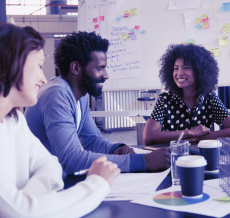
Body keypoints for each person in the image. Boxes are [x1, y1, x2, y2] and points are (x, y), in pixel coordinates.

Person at [0, 23, 120, 217]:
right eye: (39, 67)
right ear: (11, 64)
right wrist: (97, 184)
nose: (43, 78)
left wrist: (29, 200)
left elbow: (52, 165)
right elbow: (20, 212)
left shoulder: (14, 121)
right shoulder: (56, 93)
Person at [25, 31, 170, 175]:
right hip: (34, 185)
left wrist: (116, 148)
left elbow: (92, 139)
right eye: (100, 68)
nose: (106, 75)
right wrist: (144, 162)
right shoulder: (57, 93)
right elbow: (71, 160)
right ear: (76, 68)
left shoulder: (79, 95)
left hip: (50, 178)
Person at [143, 43, 230, 145]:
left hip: (202, 157)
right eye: (176, 68)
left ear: (200, 71)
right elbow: (148, 137)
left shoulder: (209, 98)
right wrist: (190, 132)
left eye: (186, 67)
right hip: (174, 156)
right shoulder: (165, 100)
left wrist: (196, 138)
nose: (179, 73)